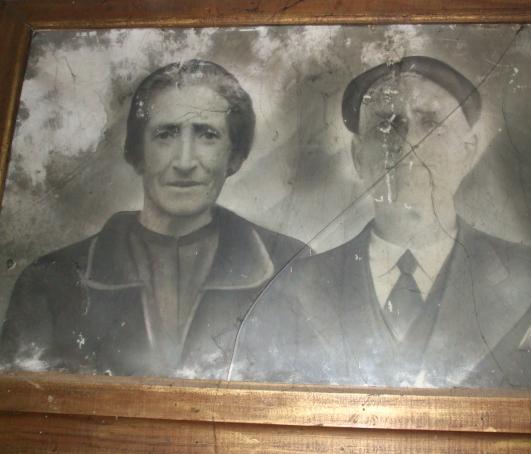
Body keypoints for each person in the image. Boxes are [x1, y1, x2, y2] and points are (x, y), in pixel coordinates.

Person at [230, 56, 531, 389]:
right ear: (358, 157)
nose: (408, 143)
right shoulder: (289, 292)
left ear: (468, 152)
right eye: (386, 124)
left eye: (431, 122)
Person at [0, 59, 305, 378]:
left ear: (234, 156)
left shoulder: (292, 267)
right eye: (165, 134)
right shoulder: (51, 282)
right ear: (137, 152)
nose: (184, 162)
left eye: (207, 135)